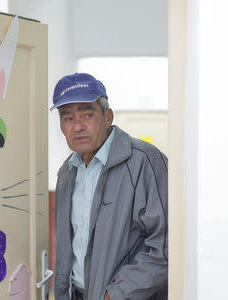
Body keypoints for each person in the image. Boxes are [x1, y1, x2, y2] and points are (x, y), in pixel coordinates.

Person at [51, 73, 168, 300]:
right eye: (68, 118)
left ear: (108, 117)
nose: (77, 126)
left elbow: (164, 246)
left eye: (87, 114)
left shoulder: (145, 161)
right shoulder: (67, 172)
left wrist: (113, 295)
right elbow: (69, 252)